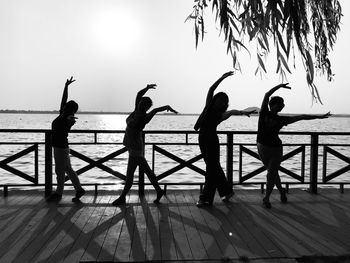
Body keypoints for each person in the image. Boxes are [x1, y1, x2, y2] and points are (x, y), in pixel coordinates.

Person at [257, 83, 330, 209]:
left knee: (271, 173)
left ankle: (267, 198)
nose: (282, 106)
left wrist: (318, 117)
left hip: (275, 148)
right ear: (273, 105)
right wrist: (279, 86)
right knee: (272, 172)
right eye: (281, 104)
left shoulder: (282, 119)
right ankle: (281, 192)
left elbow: (301, 117)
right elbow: (267, 94)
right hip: (262, 146)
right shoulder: (264, 112)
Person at [194, 71, 255, 207]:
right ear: (215, 99)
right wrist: (222, 77)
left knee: (211, 169)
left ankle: (206, 198)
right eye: (219, 99)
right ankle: (227, 191)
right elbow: (211, 89)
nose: (221, 102)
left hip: (212, 141)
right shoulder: (208, 106)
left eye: (224, 102)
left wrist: (243, 112)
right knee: (214, 168)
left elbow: (232, 111)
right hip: (203, 139)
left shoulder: (221, 114)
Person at [112, 84, 178, 206]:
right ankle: (158, 190)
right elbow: (138, 94)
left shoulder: (145, 117)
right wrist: (147, 88)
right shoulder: (136, 110)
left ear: (147, 107)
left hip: (136, 147)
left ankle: (122, 197)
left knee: (130, 175)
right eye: (141, 102)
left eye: (144, 104)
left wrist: (168, 107)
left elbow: (157, 110)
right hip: (131, 145)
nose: (141, 104)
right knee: (146, 170)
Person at [46, 77, 85, 202]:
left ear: (71, 110)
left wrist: (70, 120)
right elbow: (63, 99)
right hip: (60, 147)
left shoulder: (68, 118)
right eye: (66, 106)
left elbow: (69, 124)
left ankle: (58, 193)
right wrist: (66, 86)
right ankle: (79, 189)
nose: (64, 107)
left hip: (61, 147)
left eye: (67, 107)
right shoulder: (62, 114)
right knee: (68, 169)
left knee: (60, 171)